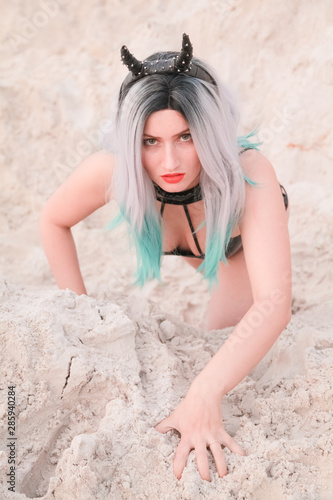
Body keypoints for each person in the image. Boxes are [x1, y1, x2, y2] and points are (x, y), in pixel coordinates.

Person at [40, 34, 292, 481]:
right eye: (150, 141)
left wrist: (204, 393)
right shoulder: (114, 169)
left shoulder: (250, 172)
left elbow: (273, 302)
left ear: (208, 132)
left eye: (186, 136)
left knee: (229, 342)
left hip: (233, 252)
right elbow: (53, 221)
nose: (169, 159)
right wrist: (79, 312)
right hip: (195, 244)